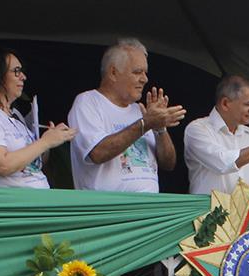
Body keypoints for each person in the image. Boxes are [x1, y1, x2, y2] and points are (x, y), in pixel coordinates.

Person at [70, 38, 185, 193]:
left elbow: (168, 163)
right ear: (113, 73)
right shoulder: (88, 102)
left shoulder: (141, 111)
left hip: (149, 210)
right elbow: (97, 153)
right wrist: (145, 124)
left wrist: (160, 129)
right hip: (111, 212)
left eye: (145, 73)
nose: (145, 79)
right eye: (137, 72)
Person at [0, 45, 74, 189]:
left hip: (37, 200)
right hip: (11, 206)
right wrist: (46, 142)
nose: (23, 77)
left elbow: (33, 166)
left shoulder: (16, 117)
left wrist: (49, 141)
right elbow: (2, 166)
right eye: (16, 71)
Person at [184, 74, 249, 208]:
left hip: (246, 222)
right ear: (225, 103)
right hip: (207, 220)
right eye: (248, 104)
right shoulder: (197, 129)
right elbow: (224, 163)